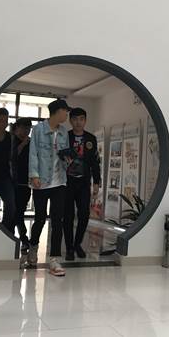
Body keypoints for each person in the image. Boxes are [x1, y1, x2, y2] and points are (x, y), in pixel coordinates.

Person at [27, 99, 71, 276]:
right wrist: (34, 175)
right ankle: (33, 247)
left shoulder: (63, 132)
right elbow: (33, 154)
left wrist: (69, 160)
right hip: (42, 181)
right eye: (65, 111)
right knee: (39, 219)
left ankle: (54, 259)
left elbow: (65, 154)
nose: (67, 115)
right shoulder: (38, 129)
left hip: (59, 181)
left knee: (57, 220)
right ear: (58, 111)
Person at [64, 107, 101, 261]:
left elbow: (95, 162)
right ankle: (69, 248)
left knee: (84, 215)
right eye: (75, 119)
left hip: (84, 182)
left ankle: (77, 243)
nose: (78, 122)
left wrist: (96, 182)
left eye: (81, 119)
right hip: (67, 182)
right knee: (68, 215)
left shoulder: (91, 138)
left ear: (85, 121)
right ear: (70, 121)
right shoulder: (65, 137)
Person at [13, 117, 33, 253]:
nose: (26, 131)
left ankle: (22, 239)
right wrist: (23, 144)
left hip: (26, 183)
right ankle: (22, 239)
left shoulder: (31, 143)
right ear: (17, 128)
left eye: (28, 128)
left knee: (19, 211)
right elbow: (12, 156)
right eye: (24, 128)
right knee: (14, 211)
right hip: (12, 182)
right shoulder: (11, 140)